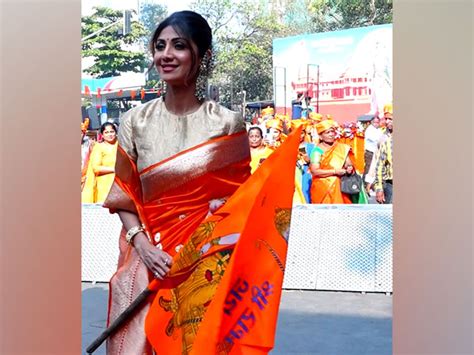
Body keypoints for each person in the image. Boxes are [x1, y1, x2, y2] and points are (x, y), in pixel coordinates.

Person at [102, 11, 252, 354]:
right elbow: (124, 198)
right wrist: (144, 247)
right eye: (160, 46)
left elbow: (242, 202)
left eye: (179, 46)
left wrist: (214, 220)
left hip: (204, 265)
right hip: (146, 260)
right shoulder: (134, 122)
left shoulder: (227, 124)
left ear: (203, 56)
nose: (166, 55)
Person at [309, 120, 356, 204]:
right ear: (320, 136)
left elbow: (348, 164)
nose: (331, 134)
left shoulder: (341, 148)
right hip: (323, 189)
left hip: (340, 188)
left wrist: (349, 168)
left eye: (332, 132)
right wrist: (334, 171)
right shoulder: (317, 151)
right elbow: (315, 171)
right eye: (327, 132)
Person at [81, 122, 118, 203]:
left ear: (116, 132)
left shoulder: (121, 146)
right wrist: (115, 169)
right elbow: (96, 168)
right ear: (102, 134)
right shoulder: (99, 147)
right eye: (106, 132)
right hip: (104, 186)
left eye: (112, 131)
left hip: (121, 185)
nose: (110, 134)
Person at [291, 119, 314, 204]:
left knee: (305, 199)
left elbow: (319, 164)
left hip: (305, 177)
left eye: (301, 133)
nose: (299, 136)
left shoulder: (311, 147)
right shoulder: (285, 146)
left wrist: (310, 161)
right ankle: (284, 217)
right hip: (291, 178)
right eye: (296, 132)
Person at [374, 106, 393, 204]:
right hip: (391, 185)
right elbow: (379, 165)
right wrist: (379, 188)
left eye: (391, 119)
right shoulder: (385, 139)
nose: (387, 122)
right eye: (386, 119)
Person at [362, 115, 383, 190]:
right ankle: (364, 184)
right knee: (368, 168)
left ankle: (372, 184)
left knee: (375, 168)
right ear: (371, 122)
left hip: (377, 152)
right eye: (375, 122)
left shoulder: (379, 130)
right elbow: (376, 140)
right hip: (370, 152)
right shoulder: (369, 129)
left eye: (378, 122)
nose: (376, 124)